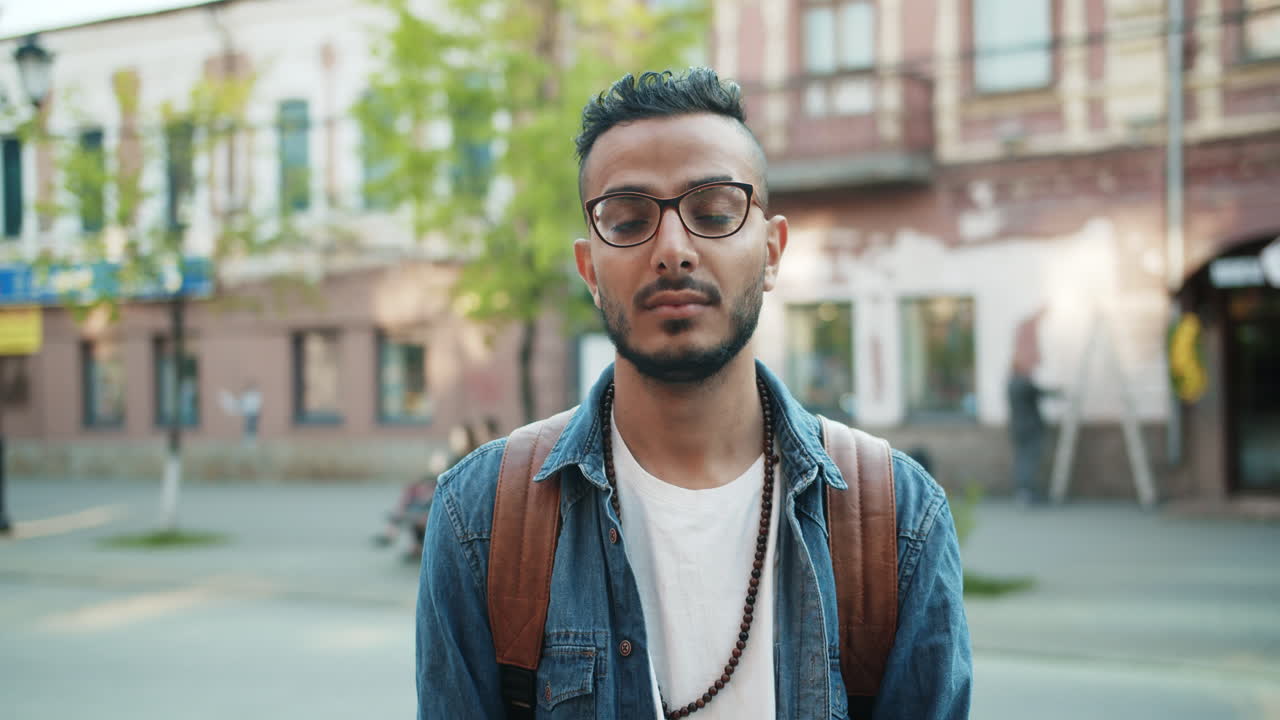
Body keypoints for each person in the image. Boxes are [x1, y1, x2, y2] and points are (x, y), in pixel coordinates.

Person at [416, 68, 971, 719]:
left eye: (712, 212)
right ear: (590, 269)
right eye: (627, 221)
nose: (673, 250)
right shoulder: (481, 516)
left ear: (771, 251)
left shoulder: (895, 517)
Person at [1007, 308, 1055, 505]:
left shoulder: (1013, 382)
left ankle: (1025, 491)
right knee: (1028, 460)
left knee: (1024, 459)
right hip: (1028, 428)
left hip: (1020, 427)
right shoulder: (1021, 383)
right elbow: (1038, 393)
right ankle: (1026, 492)